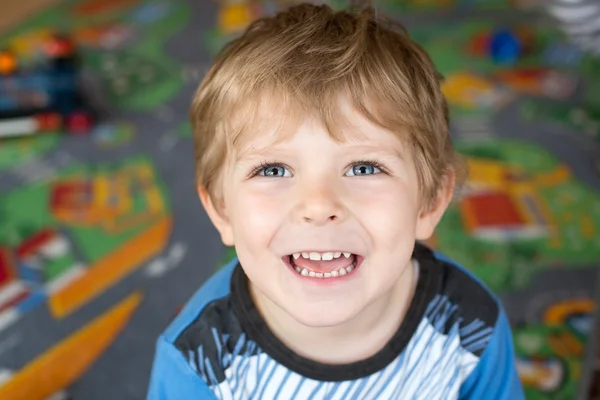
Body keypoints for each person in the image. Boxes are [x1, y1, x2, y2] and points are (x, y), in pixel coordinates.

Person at [147, 3, 525, 399]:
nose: (318, 204)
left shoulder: (470, 325)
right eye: (273, 170)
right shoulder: (197, 359)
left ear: (430, 202)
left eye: (363, 168)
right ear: (222, 210)